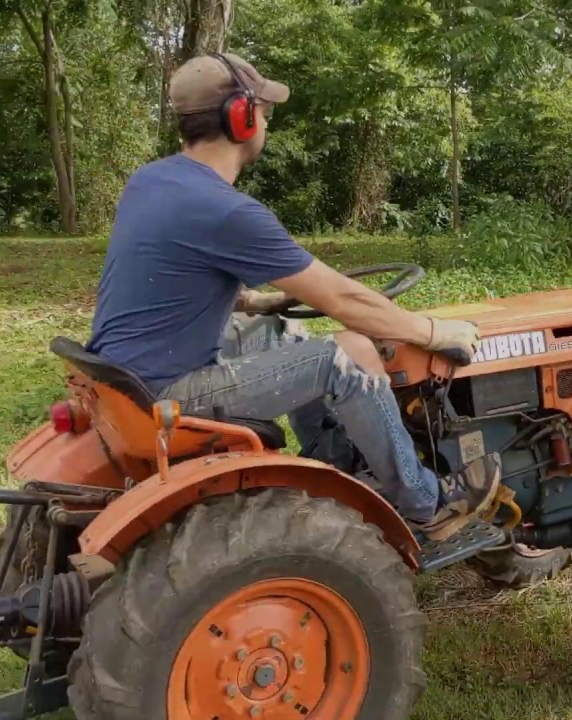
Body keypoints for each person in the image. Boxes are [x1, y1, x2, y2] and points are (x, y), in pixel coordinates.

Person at [84, 52, 501, 541]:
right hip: (168, 395)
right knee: (340, 359)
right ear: (241, 117)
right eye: (264, 111)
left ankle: (336, 464)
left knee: (283, 330)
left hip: (123, 383)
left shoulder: (152, 181)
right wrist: (435, 331)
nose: (265, 122)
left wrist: (253, 302)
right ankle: (427, 505)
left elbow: (170, 271)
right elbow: (345, 301)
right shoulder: (226, 211)